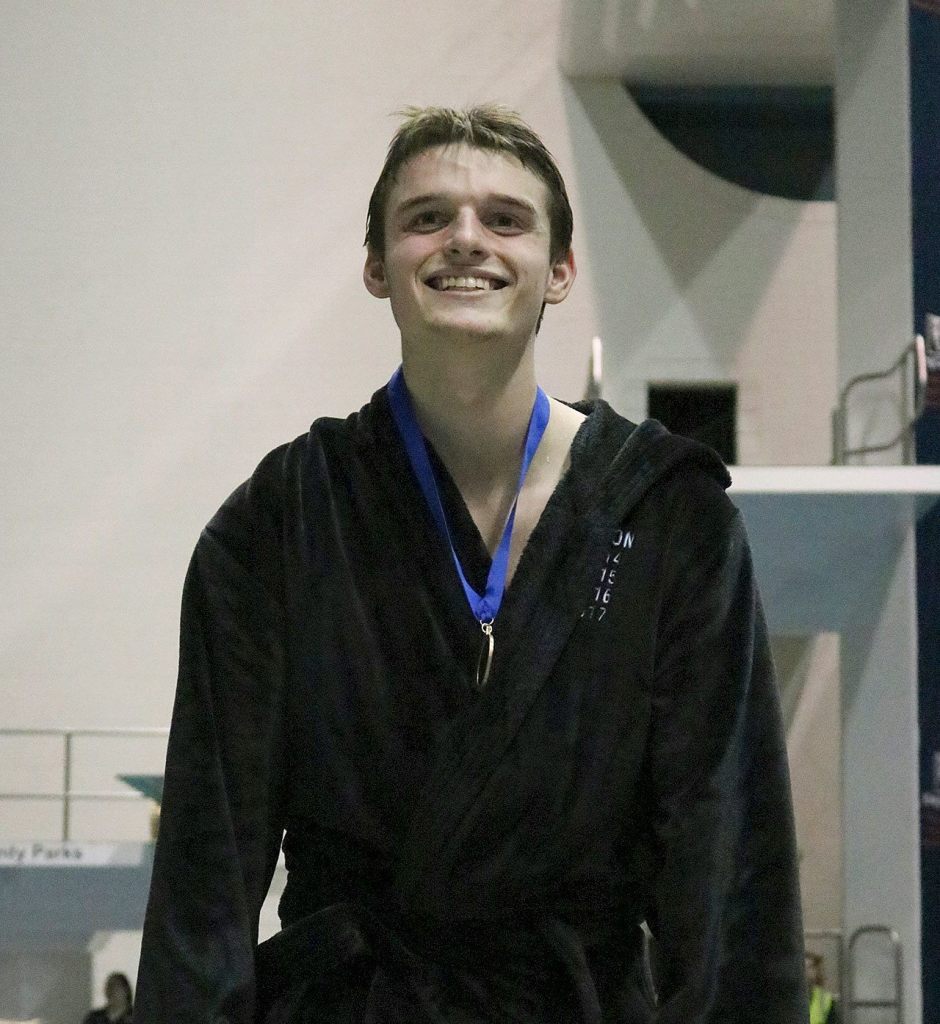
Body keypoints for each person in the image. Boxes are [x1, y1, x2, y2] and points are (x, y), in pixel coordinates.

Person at [135, 104, 807, 1023]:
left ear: (559, 271)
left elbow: (730, 869)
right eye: (425, 218)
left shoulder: (668, 519)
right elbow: (205, 881)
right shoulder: (279, 523)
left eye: (505, 218)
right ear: (377, 267)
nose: (465, 240)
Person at [806, 952, 842, 1024]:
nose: (805, 971)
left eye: (809, 967)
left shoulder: (826, 1000)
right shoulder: (784, 998)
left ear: (816, 971)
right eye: (802, 967)